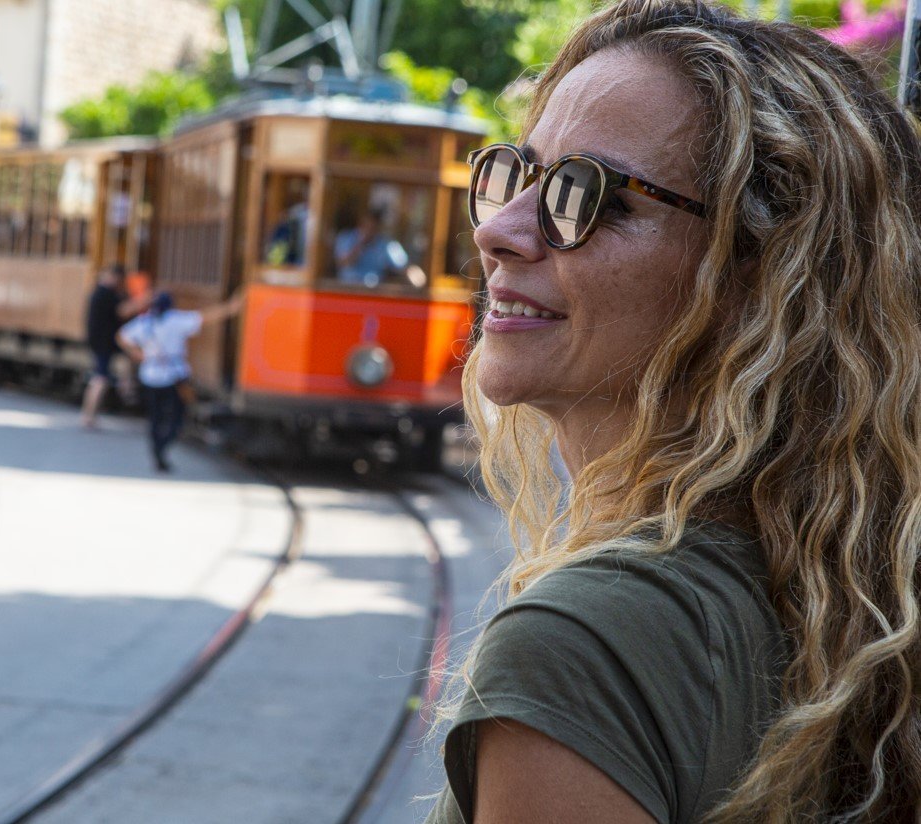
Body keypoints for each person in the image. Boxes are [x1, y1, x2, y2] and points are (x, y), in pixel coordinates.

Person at [427, 2, 921, 822]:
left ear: (758, 282)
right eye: (520, 173)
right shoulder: (862, 609)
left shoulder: (585, 645)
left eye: (592, 197)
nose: (501, 231)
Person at [117, 290, 241, 472]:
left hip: (150, 375)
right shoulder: (175, 321)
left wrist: (135, 352)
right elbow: (204, 318)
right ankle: (163, 447)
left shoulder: (144, 322)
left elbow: (121, 336)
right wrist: (230, 308)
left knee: (155, 418)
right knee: (177, 416)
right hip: (173, 376)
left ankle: (157, 449)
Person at [81, 263, 147, 428]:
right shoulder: (104, 293)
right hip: (104, 342)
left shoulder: (100, 291)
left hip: (106, 341)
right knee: (100, 379)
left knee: (128, 358)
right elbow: (122, 311)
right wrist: (144, 300)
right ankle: (89, 415)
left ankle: (126, 387)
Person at [333, 208, 408, 287]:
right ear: (360, 224)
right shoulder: (345, 237)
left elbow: (404, 267)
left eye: (373, 227)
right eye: (366, 226)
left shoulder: (388, 244)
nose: (368, 230)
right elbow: (343, 263)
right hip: (348, 288)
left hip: (375, 291)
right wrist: (360, 244)